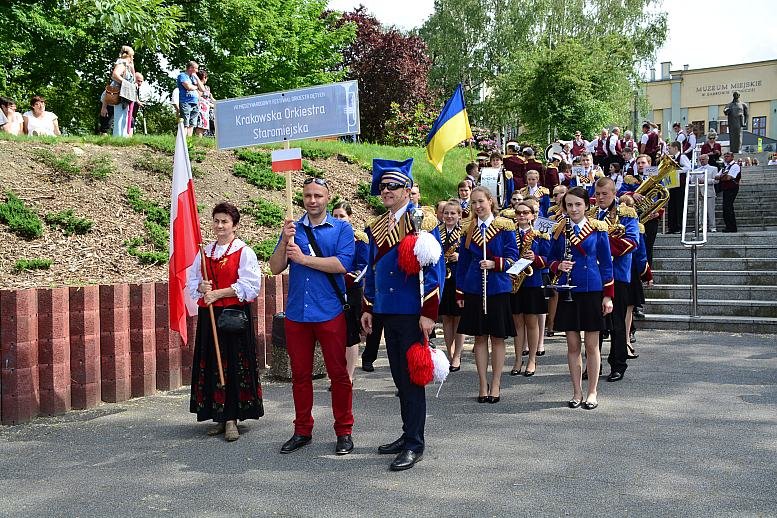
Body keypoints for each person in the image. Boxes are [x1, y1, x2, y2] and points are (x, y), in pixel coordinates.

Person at [360, 158, 442, 471]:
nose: (386, 191)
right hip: (386, 309)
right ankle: (408, 433)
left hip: (411, 311)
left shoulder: (422, 221)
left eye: (393, 186)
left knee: (411, 380)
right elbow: (372, 268)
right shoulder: (378, 226)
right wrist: (368, 306)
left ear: (407, 190)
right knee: (398, 378)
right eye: (383, 186)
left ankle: (415, 444)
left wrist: (429, 312)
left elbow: (434, 269)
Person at [269, 177, 356, 456]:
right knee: (300, 376)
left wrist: (304, 259)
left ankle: (344, 430)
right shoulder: (293, 229)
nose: (312, 200)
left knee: (338, 374)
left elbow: (342, 264)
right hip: (297, 313)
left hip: (329, 311)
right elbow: (275, 267)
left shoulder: (341, 228)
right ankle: (302, 430)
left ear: (328, 197)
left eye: (318, 195)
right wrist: (285, 241)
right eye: (308, 195)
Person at [187, 202, 264, 441]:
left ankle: (232, 417)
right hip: (209, 316)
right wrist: (202, 287)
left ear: (234, 225)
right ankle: (218, 415)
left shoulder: (244, 252)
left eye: (225, 221)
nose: (220, 225)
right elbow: (192, 281)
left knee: (231, 364)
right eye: (216, 221)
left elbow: (251, 286)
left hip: (232, 317)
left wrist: (218, 294)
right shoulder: (204, 252)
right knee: (212, 363)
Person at [548, 186, 614, 410]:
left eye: (578, 204)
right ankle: (576, 391)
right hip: (569, 290)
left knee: (592, 346)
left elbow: (606, 264)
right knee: (572, 345)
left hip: (592, 289)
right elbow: (549, 259)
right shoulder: (560, 230)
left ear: (587, 205)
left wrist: (608, 296)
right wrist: (558, 265)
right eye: (569, 205)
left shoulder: (598, 229)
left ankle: (592, 391)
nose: (574, 209)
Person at [456, 186, 518, 404]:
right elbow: (462, 264)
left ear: (490, 201)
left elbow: (513, 257)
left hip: (498, 288)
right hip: (474, 288)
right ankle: (483, 383)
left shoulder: (504, 227)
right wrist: (460, 291)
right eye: (473, 202)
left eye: (481, 201)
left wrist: (495, 263)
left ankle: (497, 382)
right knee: (479, 338)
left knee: (498, 338)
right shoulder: (468, 229)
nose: (477, 206)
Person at [593, 177, 639, 382]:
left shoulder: (626, 214)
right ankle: (594, 365)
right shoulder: (591, 214)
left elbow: (633, 242)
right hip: (595, 275)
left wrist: (603, 246)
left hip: (618, 274)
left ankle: (618, 364)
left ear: (614, 194)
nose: (600, 198)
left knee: (617, 323)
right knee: (594, 324)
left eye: (605, 194)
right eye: (598, 194)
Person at [509, 201, 549, 377]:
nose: (522, 216)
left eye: (526, 212)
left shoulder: (540, 234)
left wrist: (536, 258)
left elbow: (548, 258)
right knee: (517, 322)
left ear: (533, 215)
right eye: (519, 213)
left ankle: (532, 359)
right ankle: (518, 359)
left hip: (532, 281)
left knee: (532, 322)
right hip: (515, 282)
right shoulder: (510, 233)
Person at [332, 201, 369, 382]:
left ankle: (348, 376)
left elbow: (363, 266)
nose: (338, 219)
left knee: (350, 334)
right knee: (333, 335)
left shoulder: (359, 239)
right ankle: (336, 375)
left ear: (350, 217)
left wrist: (344, 277)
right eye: (335, 216)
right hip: (330, 291)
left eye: (342, 216)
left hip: (351, 290)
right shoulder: (327, 236)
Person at [438, 200, 464, 371]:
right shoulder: (437, 231)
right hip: (443, 278)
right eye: (446, 213)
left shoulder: (464, 232)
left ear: (459, 215)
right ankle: (450, 352)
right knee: (446, 317)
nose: (449, 216)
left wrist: (459, 256)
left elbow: (471, 254)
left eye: (453, 213)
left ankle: (458, 355)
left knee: (459, 318)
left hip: (458, 278)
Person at [105, 46, 137, 137]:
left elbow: (133, 79)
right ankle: (118, 137)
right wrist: (127, 84)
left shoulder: (127, 65)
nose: (133, 58)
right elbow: (115, 75)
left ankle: (122, 137)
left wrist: (132, 68)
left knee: (124, 116)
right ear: (129, 55)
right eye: (132, 56)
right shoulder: (122, 64)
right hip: (120, 93)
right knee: (120, 116)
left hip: (125, 94)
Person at [666, 141, 692, 234]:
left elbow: (688, 167)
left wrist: (677, 171)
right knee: (672, 206)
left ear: (675, 148)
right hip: (673, 184)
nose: (668, 150)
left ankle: (680, 226)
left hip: (680, 185)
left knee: (679, 205)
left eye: (670, 148)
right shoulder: (672, 158)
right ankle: (672, 227)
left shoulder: (682, 157)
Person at [716, 152, 741, 233]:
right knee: (726, 207)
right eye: (725, 156)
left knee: (728, 207)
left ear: (732, 157)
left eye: (728, 156)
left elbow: (728, 178)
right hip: (726, 189)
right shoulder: (725, 167)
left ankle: (732, 227)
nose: (726, 157)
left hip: (732, 188)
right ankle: (729, 226)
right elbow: (716, 176)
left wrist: (722, 177)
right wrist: (723, 176)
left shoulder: (735, 166)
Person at [178, 61, 201, 137]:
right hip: (185, 102)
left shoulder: (193, 78)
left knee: (192, 124)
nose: (197, 71)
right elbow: (188, 87)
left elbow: (202, 89)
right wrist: (196, 87)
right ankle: (183, 140)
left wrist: (197, 78)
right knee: (185, 123)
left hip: (195, 102)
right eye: (196, 68)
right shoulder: (182, 75)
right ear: (191, 68)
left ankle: (189, 140)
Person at [697, 154, 718, 232]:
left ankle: (712, 226)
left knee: (711, 210)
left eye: (703, 159)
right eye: (700, 160)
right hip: (699, 192)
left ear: (707, 159)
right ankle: (701, 226)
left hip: (709, 192)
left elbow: (716, 180)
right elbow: (692, 180)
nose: (701, 161)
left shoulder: (713, 168)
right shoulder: (697, 170)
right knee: (700, 210)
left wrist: (705, 180)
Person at [194, 69, 213, 137]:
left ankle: (200, 140)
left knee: (203, 127)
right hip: (200, 109)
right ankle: (198, 141)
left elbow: (209, 99)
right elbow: (198, 97)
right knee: (200, 126)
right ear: (204, 77)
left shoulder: (207, 88)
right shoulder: (195, 86)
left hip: (206, 110)